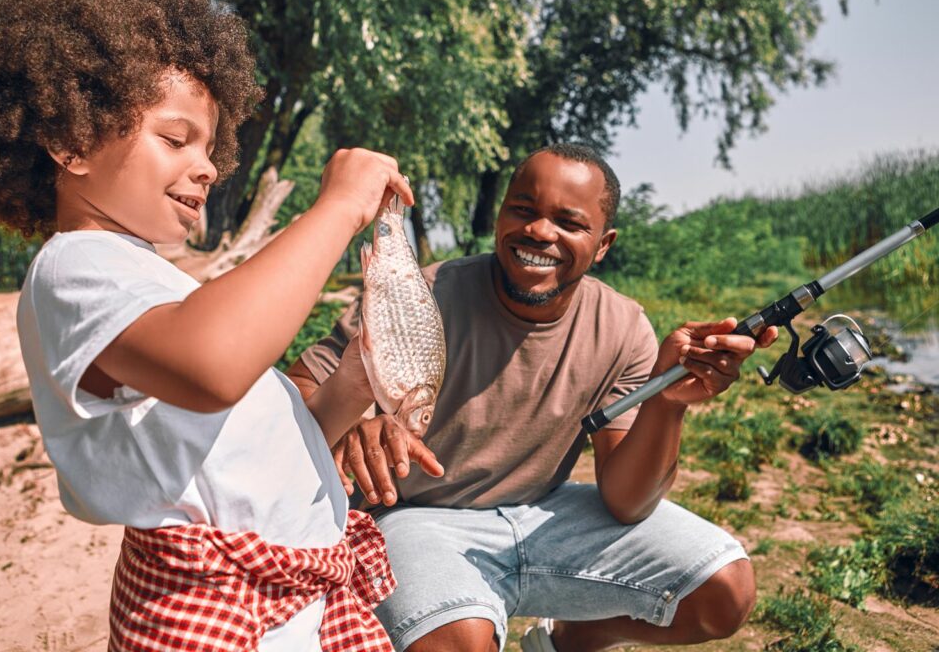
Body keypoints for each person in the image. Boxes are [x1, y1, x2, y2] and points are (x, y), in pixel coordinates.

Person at [0, 0, 414, 652]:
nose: (208, 166)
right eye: (174, 138)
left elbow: (244, 444)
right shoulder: (74, 265)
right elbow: (211, 367)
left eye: (209, 147)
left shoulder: (165, 291)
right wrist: (338, 207)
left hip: (295, 598)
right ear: (71, 141)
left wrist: (349, 389)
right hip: (219, 607)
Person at [286, 143, 779, 652]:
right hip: (416, 518)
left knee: (724, 592)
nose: (540, 231)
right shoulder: (419, 290)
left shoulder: (624, 326)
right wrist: (352, 422)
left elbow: (627, 501)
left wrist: (666, 403)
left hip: (544, 511)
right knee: (459, 641)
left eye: (569, 222)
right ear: (501, 216)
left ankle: (568, 642)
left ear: (603, 243)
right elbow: (298, 386)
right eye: (523, 209)